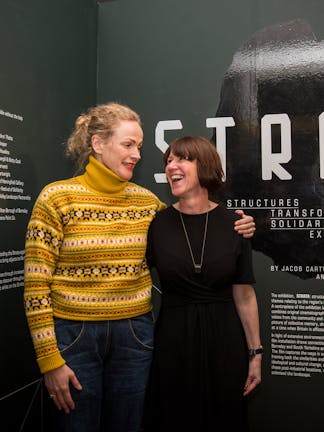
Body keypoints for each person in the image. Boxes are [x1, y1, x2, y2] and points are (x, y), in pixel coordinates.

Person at [24, 103, 255, 432]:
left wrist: (241, 225)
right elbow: (35, 289)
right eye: (128, 144)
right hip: (75, 337)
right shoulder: (57, 198)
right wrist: (49, 360)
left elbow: (195, 218)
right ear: (98, 143)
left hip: (135, 336)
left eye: (140, 147)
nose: (137, 154)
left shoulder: (147, 204)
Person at [142, 136, 262, 432]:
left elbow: (245, 295)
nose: (172, 166)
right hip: (173, 343)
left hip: (226, 343)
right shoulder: (157, 224)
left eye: (181, 159)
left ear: (204, 165)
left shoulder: (235, 224)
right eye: (168, 161)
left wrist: (256, 355)